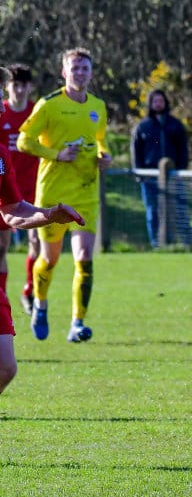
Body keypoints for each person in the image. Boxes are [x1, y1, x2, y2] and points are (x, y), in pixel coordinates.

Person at [0, 65, 86, 393]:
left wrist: (50, 214)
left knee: (6, 367)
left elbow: (12, 211)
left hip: (30, 194)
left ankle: (27, 292)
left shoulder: (1, 156)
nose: (2, 104)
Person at [17, 47, 112, 343]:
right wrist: (56, 154)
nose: (80, 73)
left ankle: (77, 324)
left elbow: (100, 140)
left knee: (84, 258)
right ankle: (40, 304)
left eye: (85, 68)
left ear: (91, 73)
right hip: (53, 195)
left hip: (86, 192)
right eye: (74, 68)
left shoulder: (98, 106)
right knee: (50, 259)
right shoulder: (48, 105)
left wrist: (104, 155)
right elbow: (23, 141)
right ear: (64, 72)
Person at [0, 64, 40, 313]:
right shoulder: (1, 112)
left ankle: (29, 290)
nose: (20, 89)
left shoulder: (37, 112)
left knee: (36, 242)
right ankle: (2, 298)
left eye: (24, 84)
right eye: (15, 84)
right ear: (8, 87)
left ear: (30, 87)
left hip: (33, 187)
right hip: (5, 189)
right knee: (1, 247)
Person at [130, 89, 192, 249]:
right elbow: (136, 152)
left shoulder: (175, 125)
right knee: (153, 212)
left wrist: (181, 170)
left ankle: (187, 244)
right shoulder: (142, 126)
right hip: (150, 178)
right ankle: (157, 245)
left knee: (180, 210)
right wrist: (141, 175)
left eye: (161, 101)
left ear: (165, 102)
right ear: (150, 104)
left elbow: (183, 151)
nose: (158, 104)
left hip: (173, 176)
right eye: (155, 101)